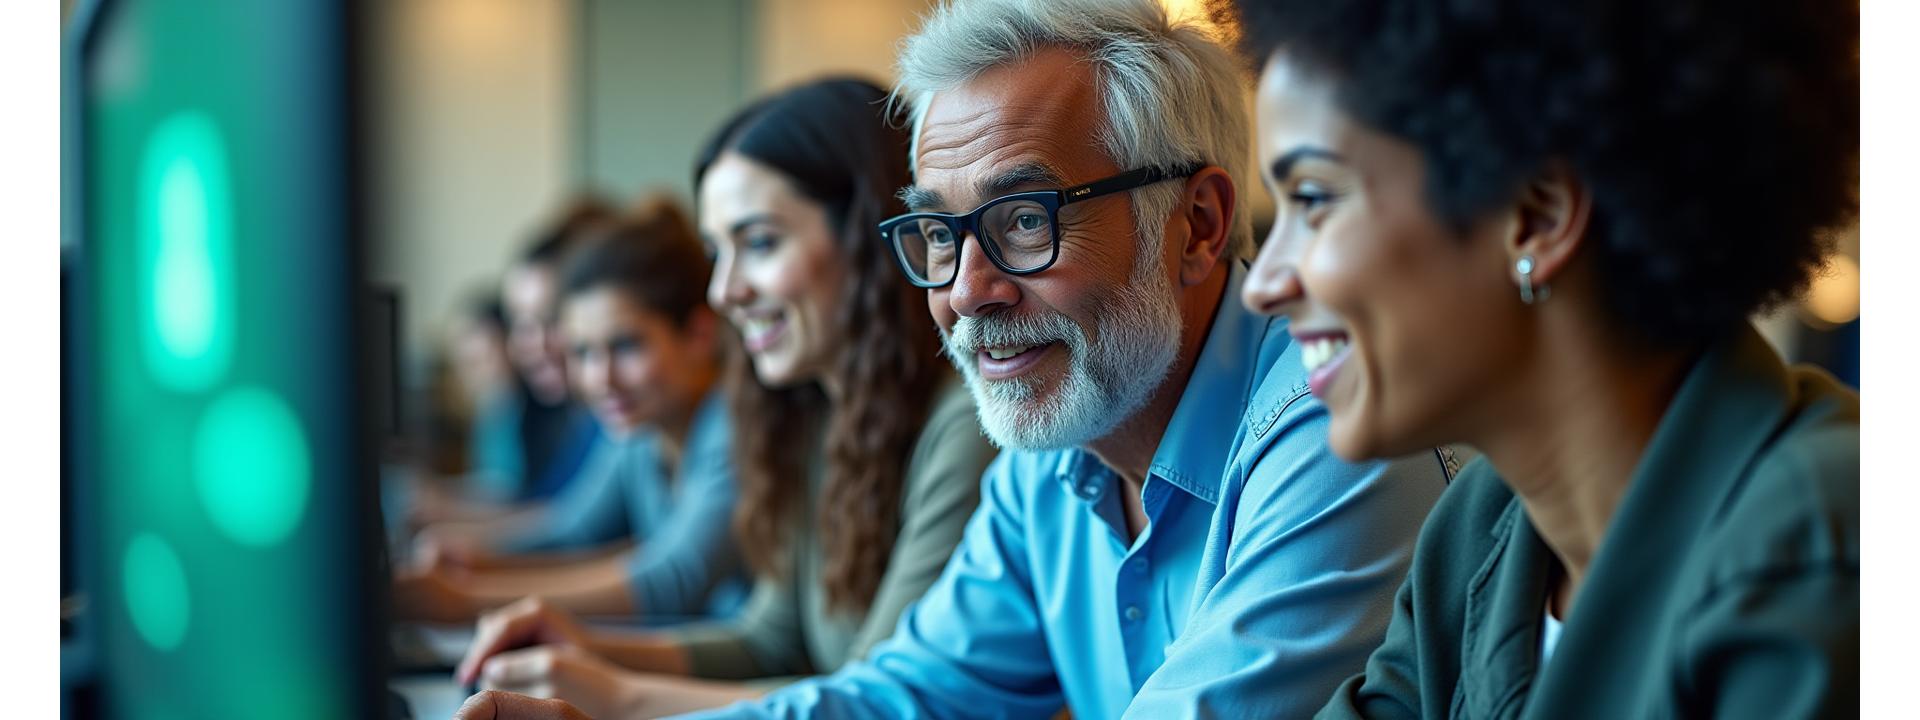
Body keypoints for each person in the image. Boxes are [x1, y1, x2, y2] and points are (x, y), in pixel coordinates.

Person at [458, 1, 1452, 718]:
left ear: (1197, 226)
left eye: (1024, 221)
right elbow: (905, 698)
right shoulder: (1045, 459)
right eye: (938, 236)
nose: (967, 290)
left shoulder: (1332, 422)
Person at [1211, 0, 1861, 716]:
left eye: (1314, 199)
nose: (1264, 284)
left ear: (1537, 216)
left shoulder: (1822, 554)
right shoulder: (1483, 525)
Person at [447, 77, 1000, 719]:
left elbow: (871, 700)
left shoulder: (962, 429)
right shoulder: (814, 416)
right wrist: (581, 649)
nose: (722, 291)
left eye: (759, 243)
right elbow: (767, 641)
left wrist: (617, 698)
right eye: (718, 252)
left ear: (873, 237)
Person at [395, 202, 748, 624]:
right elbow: (574, 530)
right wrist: (473, 559)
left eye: (626, 347)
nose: (600, 378)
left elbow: (674, 581)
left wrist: (465, 600)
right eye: (583, 352)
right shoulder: (642, 433)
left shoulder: (731, 422)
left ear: (699, 334)